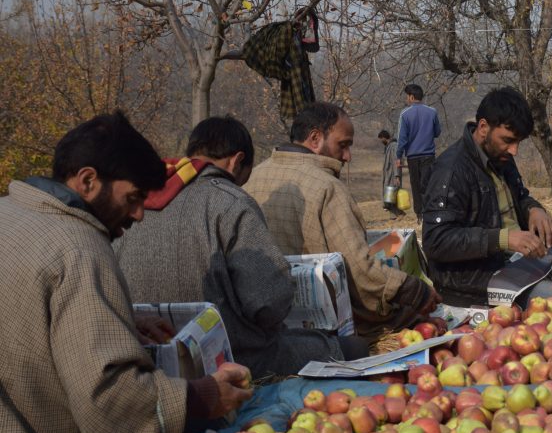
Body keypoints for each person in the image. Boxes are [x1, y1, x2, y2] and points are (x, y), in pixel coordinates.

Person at [0, 113, 252, 433]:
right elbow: (109, 405)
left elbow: (25, 311)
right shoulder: (80, 249)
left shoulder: (8, 213)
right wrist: (203, 397)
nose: (138, 215)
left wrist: (118, 317)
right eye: (132, 198)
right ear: (88, 181)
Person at [115, 117, 367, 379]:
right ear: (236, 161)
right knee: (353, 347)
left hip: (146, 354)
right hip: (231, 357)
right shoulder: (230, 201)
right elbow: (268, 302)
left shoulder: (136, 202)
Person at [245, 102, 440, 340]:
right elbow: (361, 271)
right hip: (326, 334)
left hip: (264, 328)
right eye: (343, 145)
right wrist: (415, 292)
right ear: (315, 139)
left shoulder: (253, 178)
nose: (347, 157)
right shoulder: (328, 188)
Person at [421, 87, 552, 306]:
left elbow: (519, 196)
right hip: (473, 284)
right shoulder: (451, 171)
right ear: (483, 127)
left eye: (518, 142)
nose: (514, 150)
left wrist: (533, 209)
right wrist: (503, 239)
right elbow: (436, 240)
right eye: (508, 140)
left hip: (515, 265)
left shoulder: (500, 155)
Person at [396, 83, 442, 221]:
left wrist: (399, 156)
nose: (406, 99)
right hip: (429, 155)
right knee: (428, 185)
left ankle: (419, 215)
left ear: (411, 97)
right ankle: (431, 212)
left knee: (416, 186)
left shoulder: (405, 114)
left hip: (413, 157)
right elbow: (438, 132)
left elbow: (402, 139)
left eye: (407, 96)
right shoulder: (432, 111)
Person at [378, 129, 404, 218]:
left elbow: (396, 161)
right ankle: (394, 215)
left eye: (381, 139)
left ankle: (399, 214)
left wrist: (397, 175)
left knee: (391, 195)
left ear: (384, 137)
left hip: (392, 175)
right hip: (388, 175)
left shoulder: (393, 147)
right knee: (389, 195)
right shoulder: (388, 147)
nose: (381, 141)